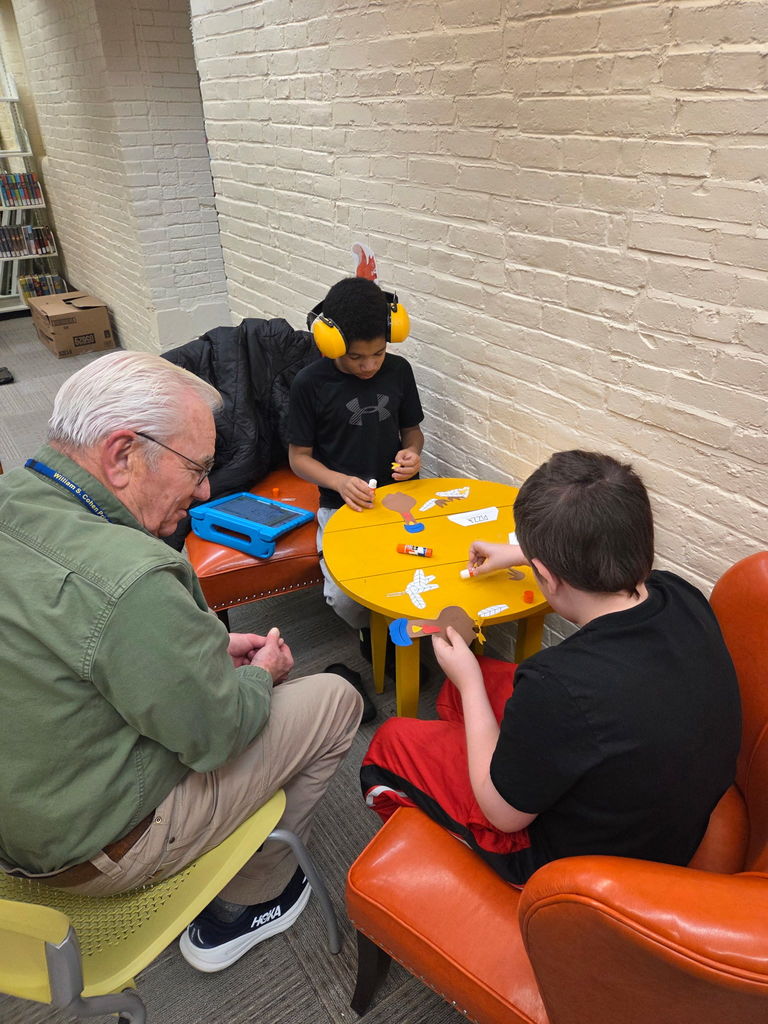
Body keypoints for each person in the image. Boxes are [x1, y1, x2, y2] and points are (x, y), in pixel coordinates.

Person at [0, 351, 362, 973]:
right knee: (335, 699)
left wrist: (195, 652)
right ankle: (251, 899)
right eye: (197, 468)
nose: (204, 491)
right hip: (94, 852)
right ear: (122, 455)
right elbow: (217, 735)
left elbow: (68, 646)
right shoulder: (131, 576)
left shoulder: (13, 498)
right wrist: (260, 676)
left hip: (24, 820)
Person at [361, 450, 741, 884]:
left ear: (548, 575)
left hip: (575, 864)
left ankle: (445, 860)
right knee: (471, 685)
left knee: (392, 741)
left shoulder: (556, 684)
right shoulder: (681, 593)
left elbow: (503, 816)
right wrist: (523, 554)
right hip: (664, 812)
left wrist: (469, 684)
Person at [288, 276, 425, 719]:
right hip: (340, 502)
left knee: (417, 569)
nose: (369, 366)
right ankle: (370, 631)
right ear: (330, 342)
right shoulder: (309, 384)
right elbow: (298, 459)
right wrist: (338, 480)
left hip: (397, 495)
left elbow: (412, 432)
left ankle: (400, 634)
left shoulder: (399, 371)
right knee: (344, 597)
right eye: (356, 357)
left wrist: (412, 454)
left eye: (378, 354)